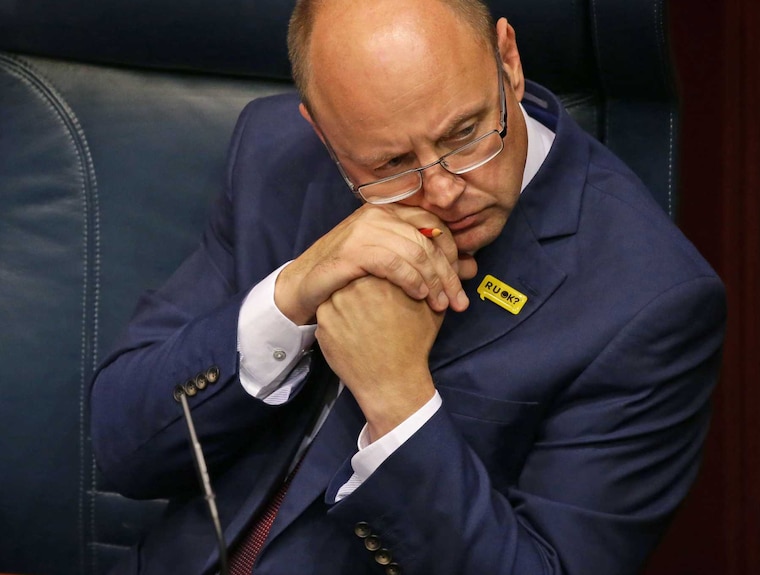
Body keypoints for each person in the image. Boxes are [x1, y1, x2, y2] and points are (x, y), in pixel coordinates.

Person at [90, 0, 726, 573]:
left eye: (465, 134)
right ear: (322, 133)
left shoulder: (649, 301)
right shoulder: (275, 149)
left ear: (509, 60)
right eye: (390, 164)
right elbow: (123, 447)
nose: (444, 190)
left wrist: (396, 401)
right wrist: (289, 298)